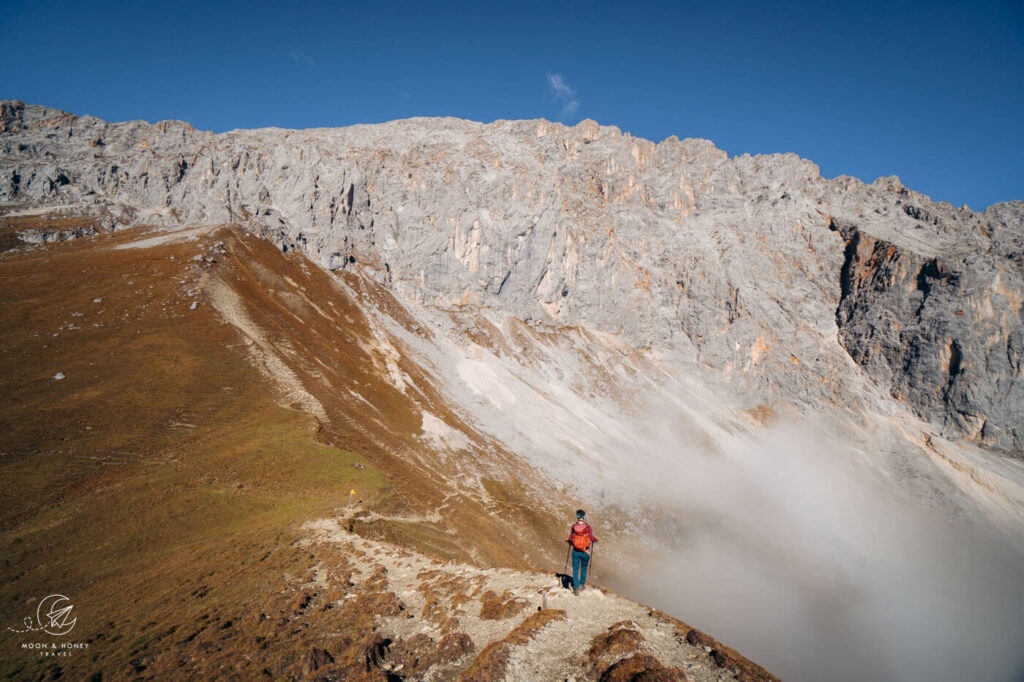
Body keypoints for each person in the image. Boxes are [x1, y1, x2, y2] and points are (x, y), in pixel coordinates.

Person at [567, 509, 597, 595]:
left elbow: (570, 538)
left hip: (576, 551)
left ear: (577, 516)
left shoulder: (573, 526)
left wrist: (570, 542)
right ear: (584, 517)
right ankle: (582, 585)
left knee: (575, 569)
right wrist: (595, 540)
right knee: (584, 568)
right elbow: (591, 538)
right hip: (585, 551)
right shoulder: (588, 527)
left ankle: (576, 588)